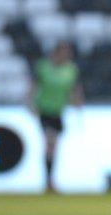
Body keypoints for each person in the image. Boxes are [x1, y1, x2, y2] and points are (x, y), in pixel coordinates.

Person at [31, 42, 84, 193]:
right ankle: (48, 181)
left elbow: (75, 88)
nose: (66, 56)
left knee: (53, 147)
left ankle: (49, 180)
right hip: (45, 110)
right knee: (50, 143)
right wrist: (31, 103)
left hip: (58, 112)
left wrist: (78, 102)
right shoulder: (44, 67)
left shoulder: (71, 70)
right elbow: (34, 86)